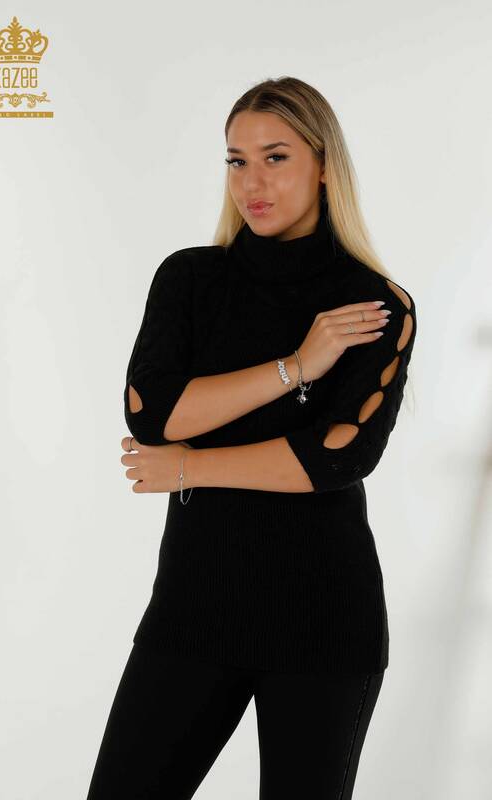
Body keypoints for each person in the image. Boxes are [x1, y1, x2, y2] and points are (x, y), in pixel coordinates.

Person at [86, 76, 417, 799]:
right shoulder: (189, 279)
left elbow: (335, 457)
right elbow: (152, 415)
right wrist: (296, 366)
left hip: (323, 622)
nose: (251, 182)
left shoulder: (373, 307)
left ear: (323, 165)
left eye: (275, 157)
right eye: (236, 161)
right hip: (192, 610)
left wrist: (189, 469)